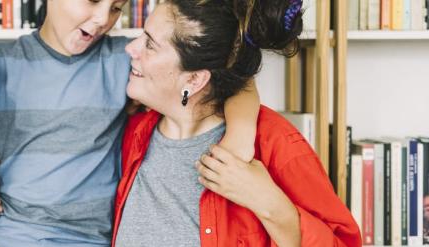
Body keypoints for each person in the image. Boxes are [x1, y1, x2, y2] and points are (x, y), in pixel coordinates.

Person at [0, 0, 261, 245]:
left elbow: (229, 79)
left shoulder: (125, 62)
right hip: (13, 234)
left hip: (91, 239)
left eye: (116, 7)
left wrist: (240, 139)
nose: (102, 18)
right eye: (92, 1)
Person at [113, 0, 362, 246]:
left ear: (195, 80)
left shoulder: (273, 143)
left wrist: (270, 204)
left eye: (150, 45)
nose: (131, 48)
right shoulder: (133, 131)